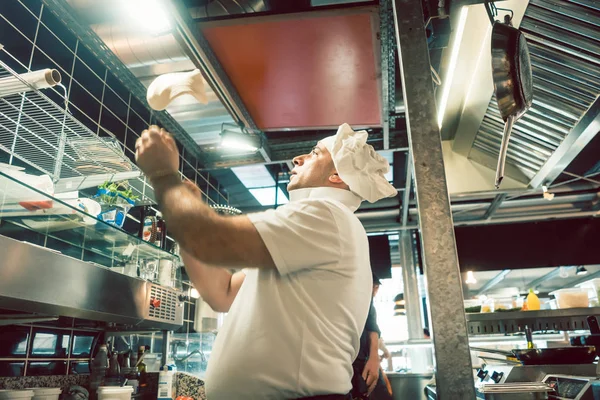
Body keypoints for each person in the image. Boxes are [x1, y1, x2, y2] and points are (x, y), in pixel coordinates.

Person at [135, 123, 397, 399]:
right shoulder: (313, 232)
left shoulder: (327, 215)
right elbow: (222, 292)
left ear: (336, 176)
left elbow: (209, 241)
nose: (298, 159)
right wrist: (185, 221)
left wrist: (164, 177)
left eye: (315, 153)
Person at [352, 276, 393, 400]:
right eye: (374, 286)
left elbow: (373, 329)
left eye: (377, 287)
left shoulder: (368, 304)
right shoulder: (357, 297)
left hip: (364, 360)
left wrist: (374, 357)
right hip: (356, 361)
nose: (375, 290)